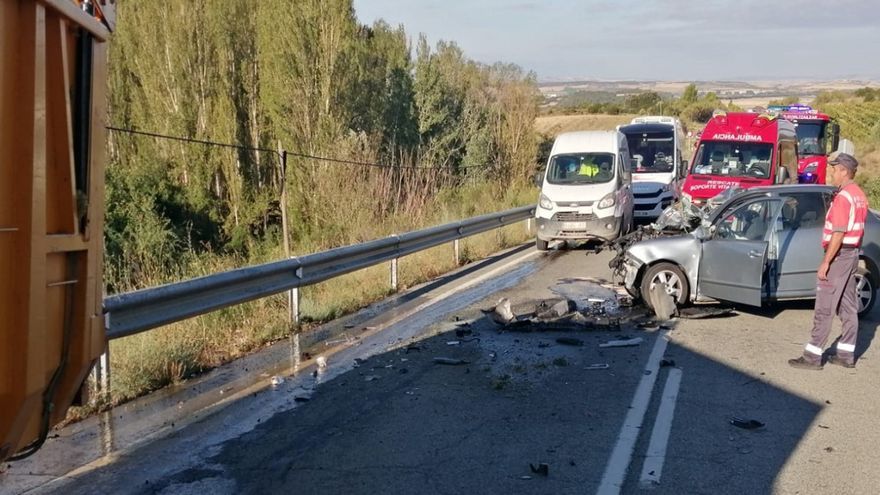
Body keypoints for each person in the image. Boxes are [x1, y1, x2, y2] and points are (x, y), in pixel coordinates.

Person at [789, 152, 868, 370]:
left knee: (824, 307)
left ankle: (812, 357)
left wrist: (826, 262)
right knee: (849, 306)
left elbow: (839, 232)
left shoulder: (843, 198)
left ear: (844, 171)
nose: (832, 173)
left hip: (840, 255)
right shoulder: (858, 194)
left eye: (834, 169)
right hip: (851, 254)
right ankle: (845, 355)